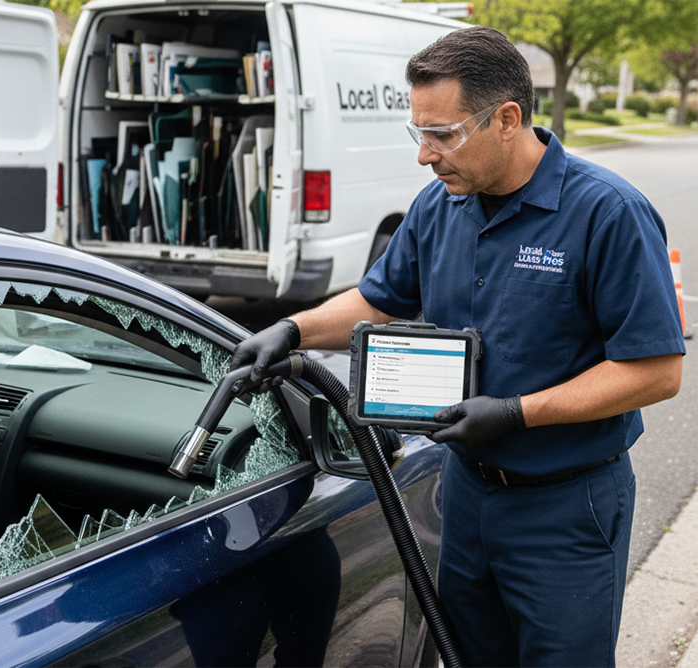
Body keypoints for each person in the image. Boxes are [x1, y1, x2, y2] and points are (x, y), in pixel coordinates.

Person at [231, 26, 686, 668]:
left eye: (443, 134)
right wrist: (294, 330)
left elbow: (657, 372)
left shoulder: (608, 213)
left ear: (508, 119)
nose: (426, 154)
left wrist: (516, 412)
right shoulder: (440, 205)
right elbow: (379, 301)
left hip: (565, 507)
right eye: (419, 133)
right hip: (465, 497)